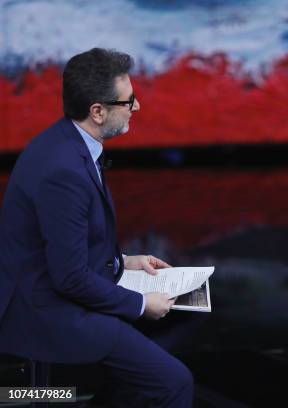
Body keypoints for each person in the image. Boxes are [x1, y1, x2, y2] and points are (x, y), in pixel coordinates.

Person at [0, 48, 193, 407]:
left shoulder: (67, 141)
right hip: (44, 308)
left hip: (54, 284)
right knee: (173, 381)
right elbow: (70, 278)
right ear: (98, 111)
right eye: (129, 101)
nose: (137, 107)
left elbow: (62, 241)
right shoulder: (64, 171)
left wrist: (123, 262)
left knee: (176, 334)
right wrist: (138, 304)